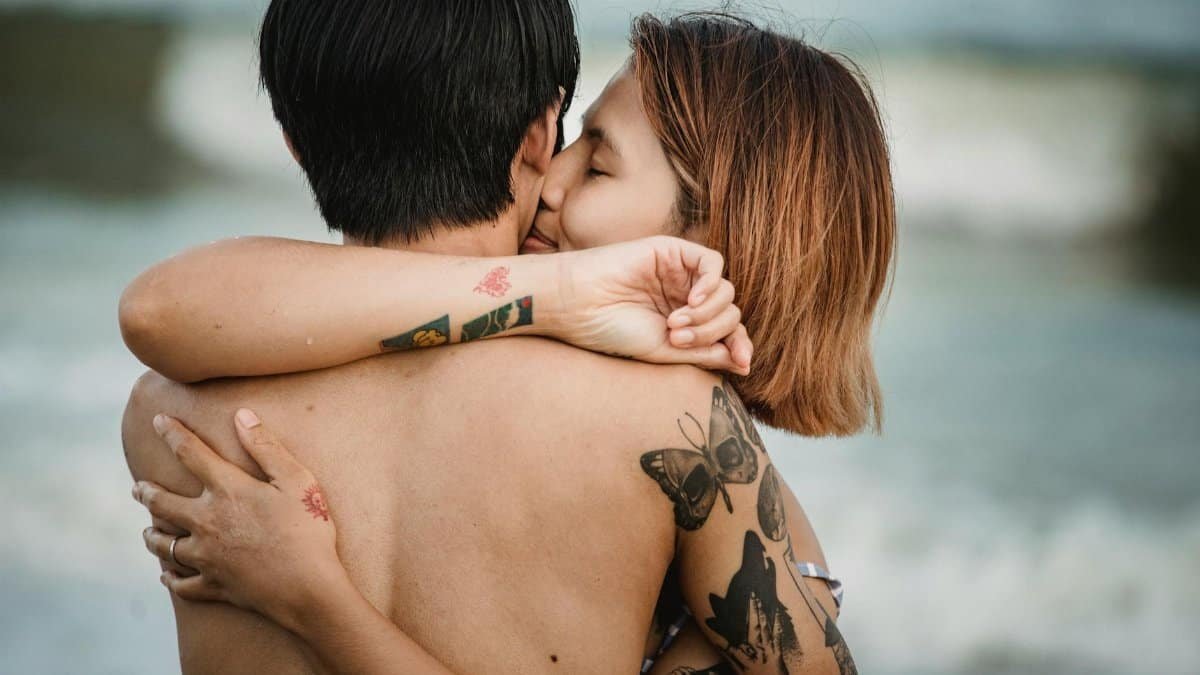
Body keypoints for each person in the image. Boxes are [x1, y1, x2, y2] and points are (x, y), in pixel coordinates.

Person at [122, 5, 893, 674]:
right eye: (572, 144)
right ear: (537, 133)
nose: (557, 179)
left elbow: (163, 311)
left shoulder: (170, 408)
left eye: (597, 165)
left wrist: (316, 599)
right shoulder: (670, 427)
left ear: (291, 142)